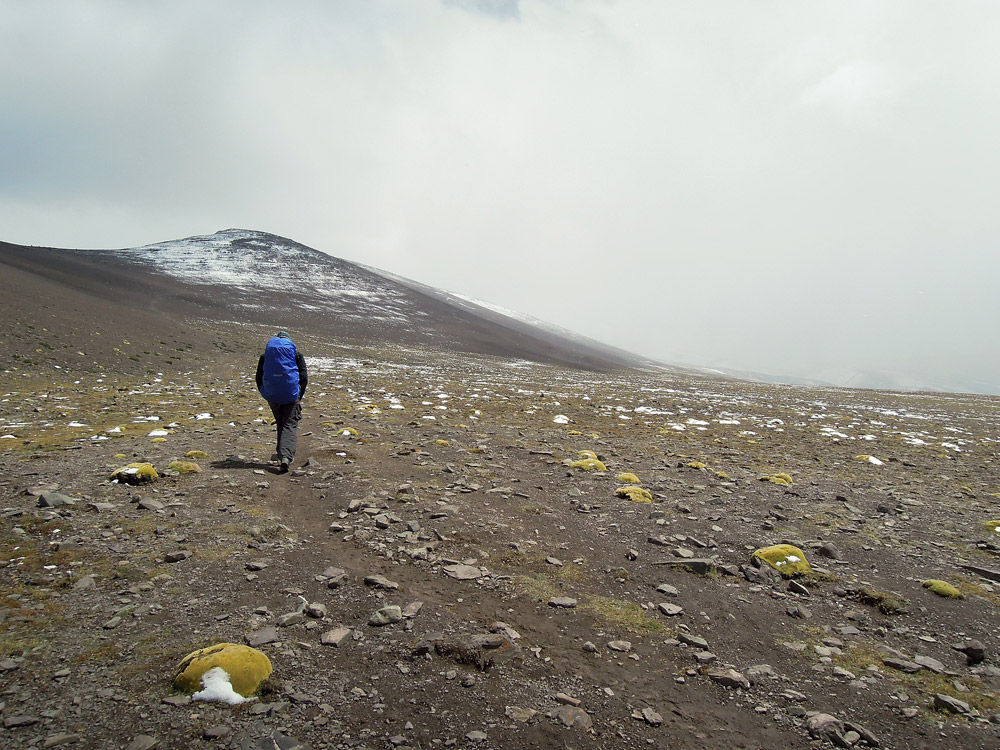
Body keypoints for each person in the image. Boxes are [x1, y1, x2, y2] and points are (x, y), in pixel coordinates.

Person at [256, 330, 308, 473]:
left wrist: (265, 392)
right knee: (289, 425)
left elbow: (259, 376)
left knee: (280, 423)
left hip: (272, 395)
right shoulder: (296, 355)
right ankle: (286, 457)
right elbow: (304, 377)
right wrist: (299, 395)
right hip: (291, 395)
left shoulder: (266, 356)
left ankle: (281, 454)